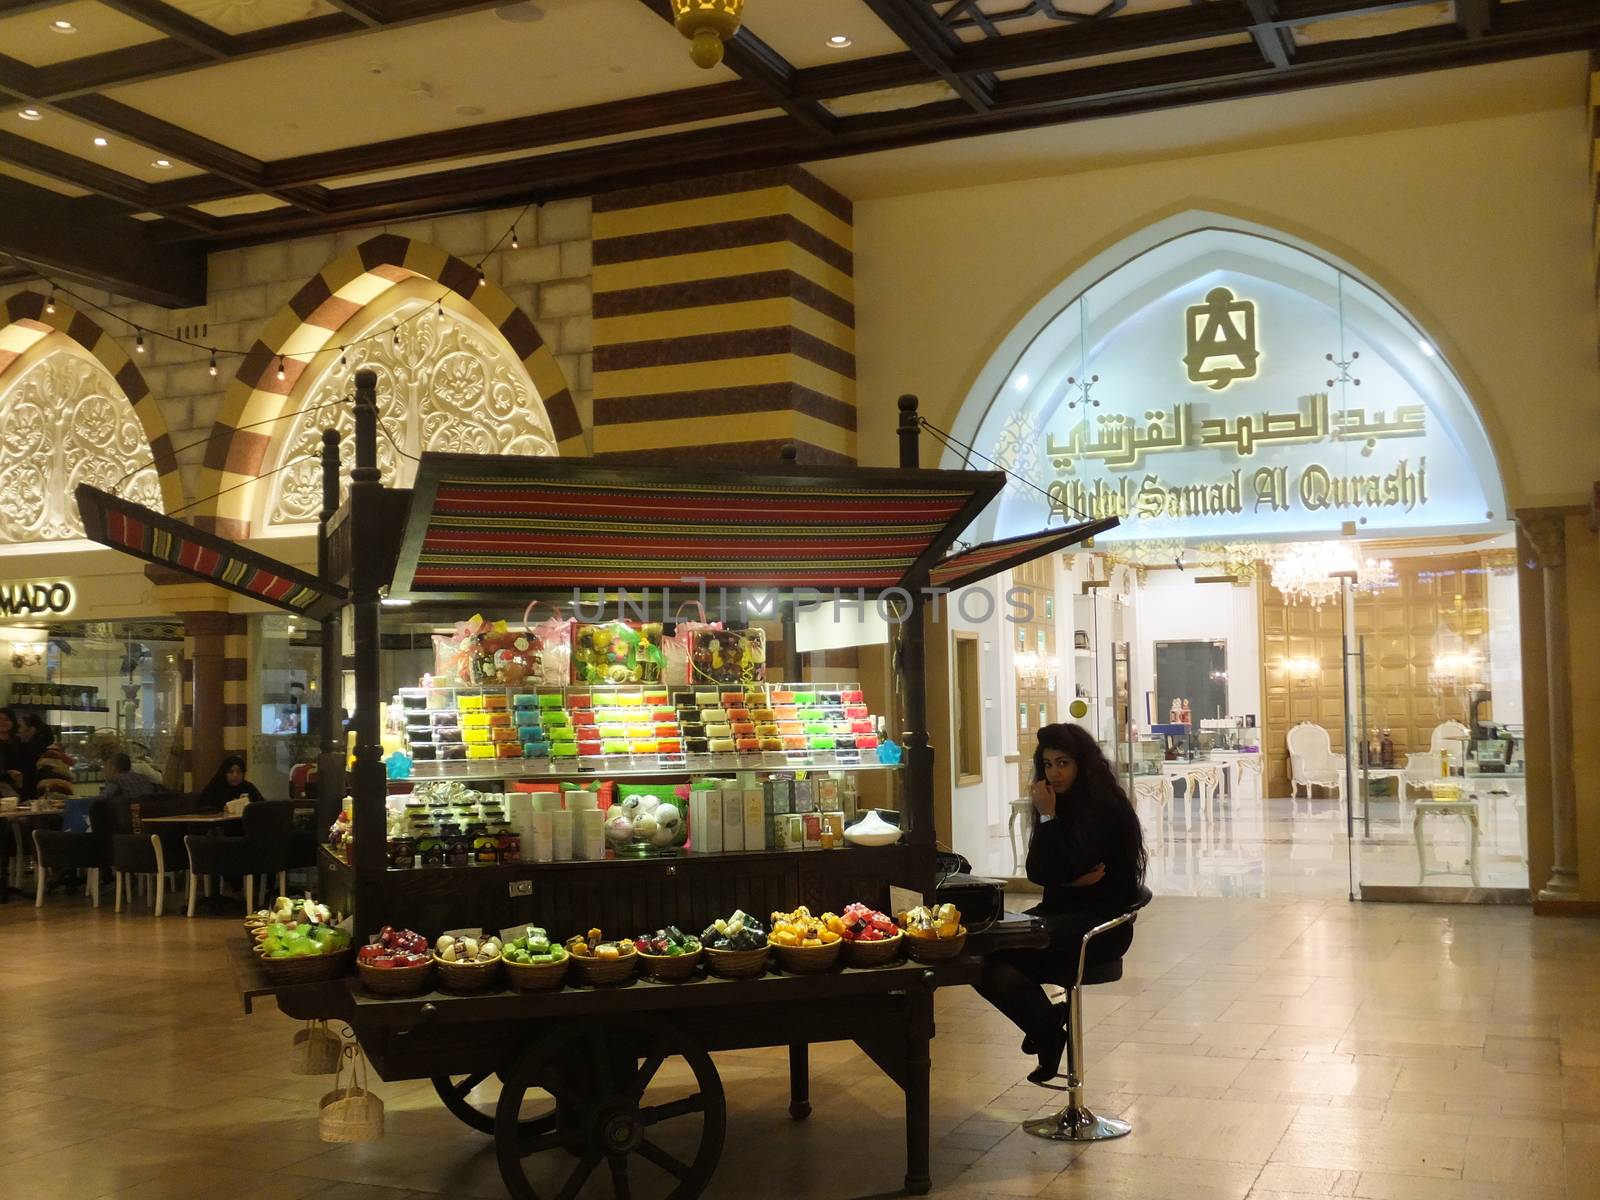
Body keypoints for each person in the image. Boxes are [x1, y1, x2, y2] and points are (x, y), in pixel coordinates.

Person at [976, 723, 1147, 1084]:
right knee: (980, 953)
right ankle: (1047, 1026)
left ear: (1082, 764)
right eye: (1048, 764)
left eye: (1063, 763)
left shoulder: (1106, 807)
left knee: (999, 959)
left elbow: (1074, 865)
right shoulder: (1054, 803)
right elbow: (1039, 870)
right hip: (1059, 917)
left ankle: (1048, 1031)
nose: (1055, 772)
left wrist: (1052, 826)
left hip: (1100, 926)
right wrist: (1066, 871)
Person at [195, 755, 264, 812]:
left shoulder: (248, 787)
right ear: (225, 774)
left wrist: (249, 806)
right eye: (231, 772)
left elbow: (262, 805)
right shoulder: (215, 788)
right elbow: (201, 808)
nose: (235, 775)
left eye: (239, 772)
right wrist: (222, 808)